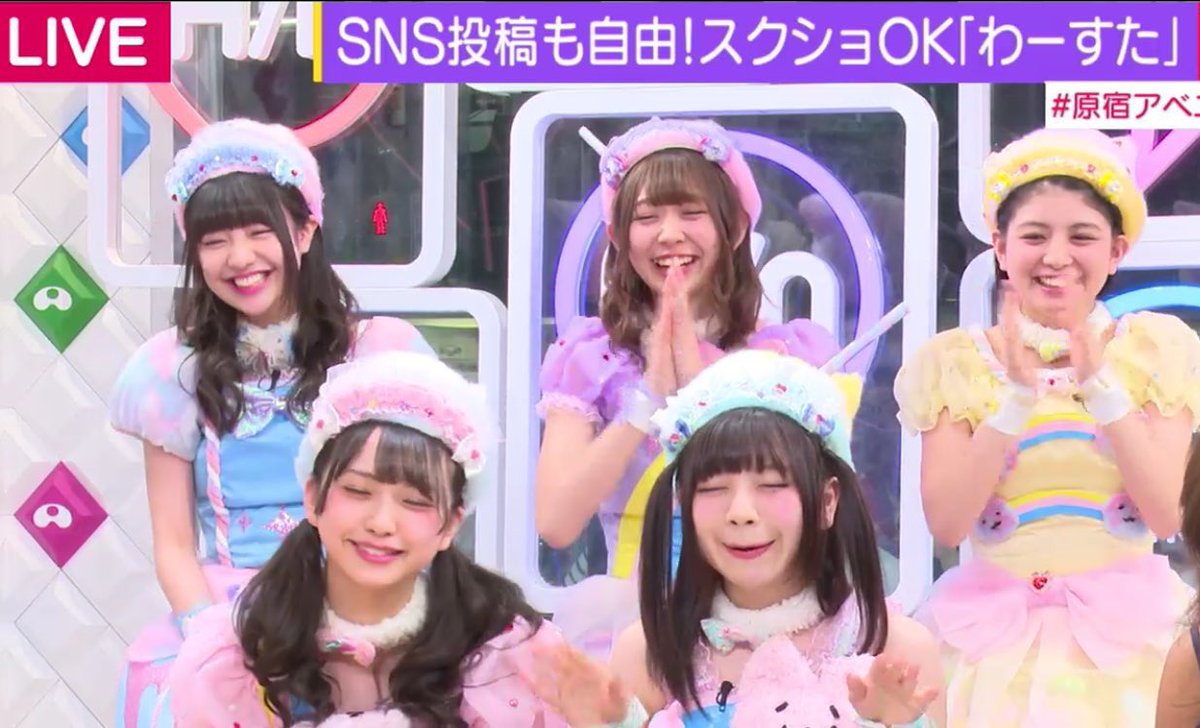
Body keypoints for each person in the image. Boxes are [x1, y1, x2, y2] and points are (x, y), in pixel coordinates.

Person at [109, 118, 436, 726]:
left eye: (260, 232)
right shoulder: (172, 371)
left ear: (305, 231)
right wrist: (217, 643)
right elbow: (174, 545)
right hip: (232, 621)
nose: (240, 258)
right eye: (214, 241)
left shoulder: (378, 354)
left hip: (365, 607)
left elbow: (421, 508)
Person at [894, 127, 1200, 726]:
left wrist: (1101, 389)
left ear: (1116, 251)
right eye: (1034, 236)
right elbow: (948, 523)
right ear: (1000, 247)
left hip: (1128, 634)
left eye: (1081, 236)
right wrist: (1014, 400)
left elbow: (1168, 515)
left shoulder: (1154, 349)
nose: (1056, 256)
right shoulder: (954, 362)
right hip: (990, 636)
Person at [534, 116, 842, 655]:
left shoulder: (789, 358)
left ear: (736, 227)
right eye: (647, 217)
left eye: (691, 213)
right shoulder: (591, 358)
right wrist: (646, 400)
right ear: (618, 237)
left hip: (766, 629)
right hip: (631, 624)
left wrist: (699, 387)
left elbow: (827, 513)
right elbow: (557, 522)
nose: (669, 233)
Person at [155, 351, 574, 727]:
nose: (382, 522)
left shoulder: (500, 652)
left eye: (414, 502)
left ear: (451, 525)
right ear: (313, 498)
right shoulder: (241, 654)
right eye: (358, 491)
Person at [529, 349, 944, 727]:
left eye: (771, 485)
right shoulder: (649, 652)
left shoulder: (896, 648)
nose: (741, 512)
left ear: (827, 501)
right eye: (713, 488)